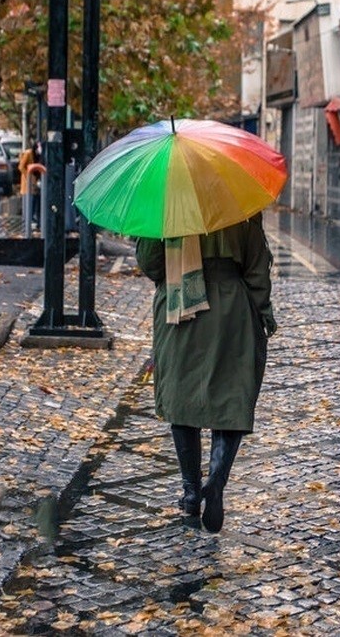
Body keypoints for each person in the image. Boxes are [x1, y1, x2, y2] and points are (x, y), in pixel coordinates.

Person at [135, 213, 277, 533]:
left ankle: (190, 494)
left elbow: (151, 264)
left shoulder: (169, 202)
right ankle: (215, 481)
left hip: (180, 305)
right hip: (231, 308)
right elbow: (256, 267)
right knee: (231, 397)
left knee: (181, 398)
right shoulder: (238, 202)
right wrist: (263, 313)